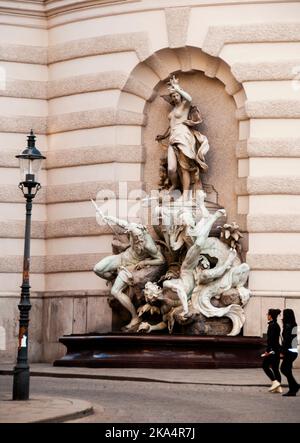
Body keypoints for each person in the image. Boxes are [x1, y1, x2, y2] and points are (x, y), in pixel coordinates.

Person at [156, 75, 209, 193]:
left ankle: (185, 194)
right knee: (171, 168)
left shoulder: (185, 106)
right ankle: (175, 184)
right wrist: (164, 136)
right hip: (172, 138)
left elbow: (189, 98)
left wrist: (177, 88)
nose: (175, 97)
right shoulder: (173, 110)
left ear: (180, 95)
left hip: (183, 136)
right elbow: (171, 126)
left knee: (185, 167)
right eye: (173, 96)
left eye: (176, 95)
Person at [262, 309, 282, 393]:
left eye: (267, 314)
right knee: (275, 368)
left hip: (272, 350)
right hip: (276, 349)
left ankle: (275, 382)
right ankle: (278, 387)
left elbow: (271, 340)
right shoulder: (275, 325)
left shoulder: (272, 325)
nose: (267, 315)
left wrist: (268, 351)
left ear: (270, 316)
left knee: (265, 366)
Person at [280, 309, 299, 396]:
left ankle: (294, 386)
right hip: (293, 350)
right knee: (287, 370)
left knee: (283, 369)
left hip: (289, 351)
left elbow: (287, 340)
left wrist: (283, 351)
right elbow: (293, 340)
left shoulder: (288, 326)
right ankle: (293, 388)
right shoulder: (294, 324)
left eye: (284, 315)